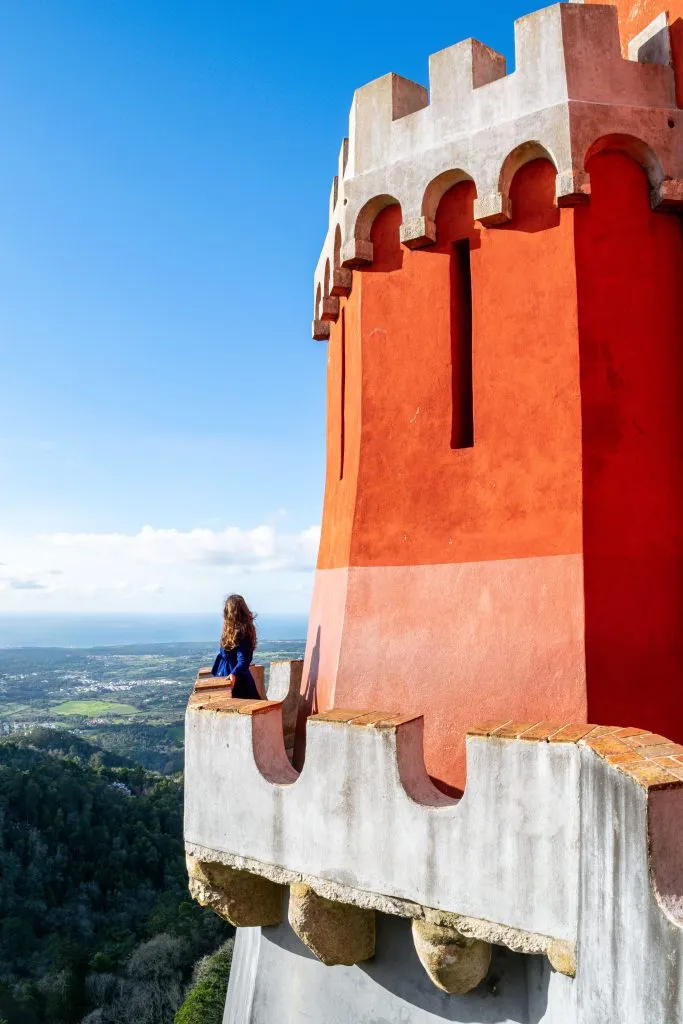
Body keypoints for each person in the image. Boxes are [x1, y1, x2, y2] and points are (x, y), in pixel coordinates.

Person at [211, 594, 261, 699]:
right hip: (239, 677)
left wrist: (234, 673)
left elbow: (243, 660)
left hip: (238, 682)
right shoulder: (241, 629)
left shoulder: (241, 632)